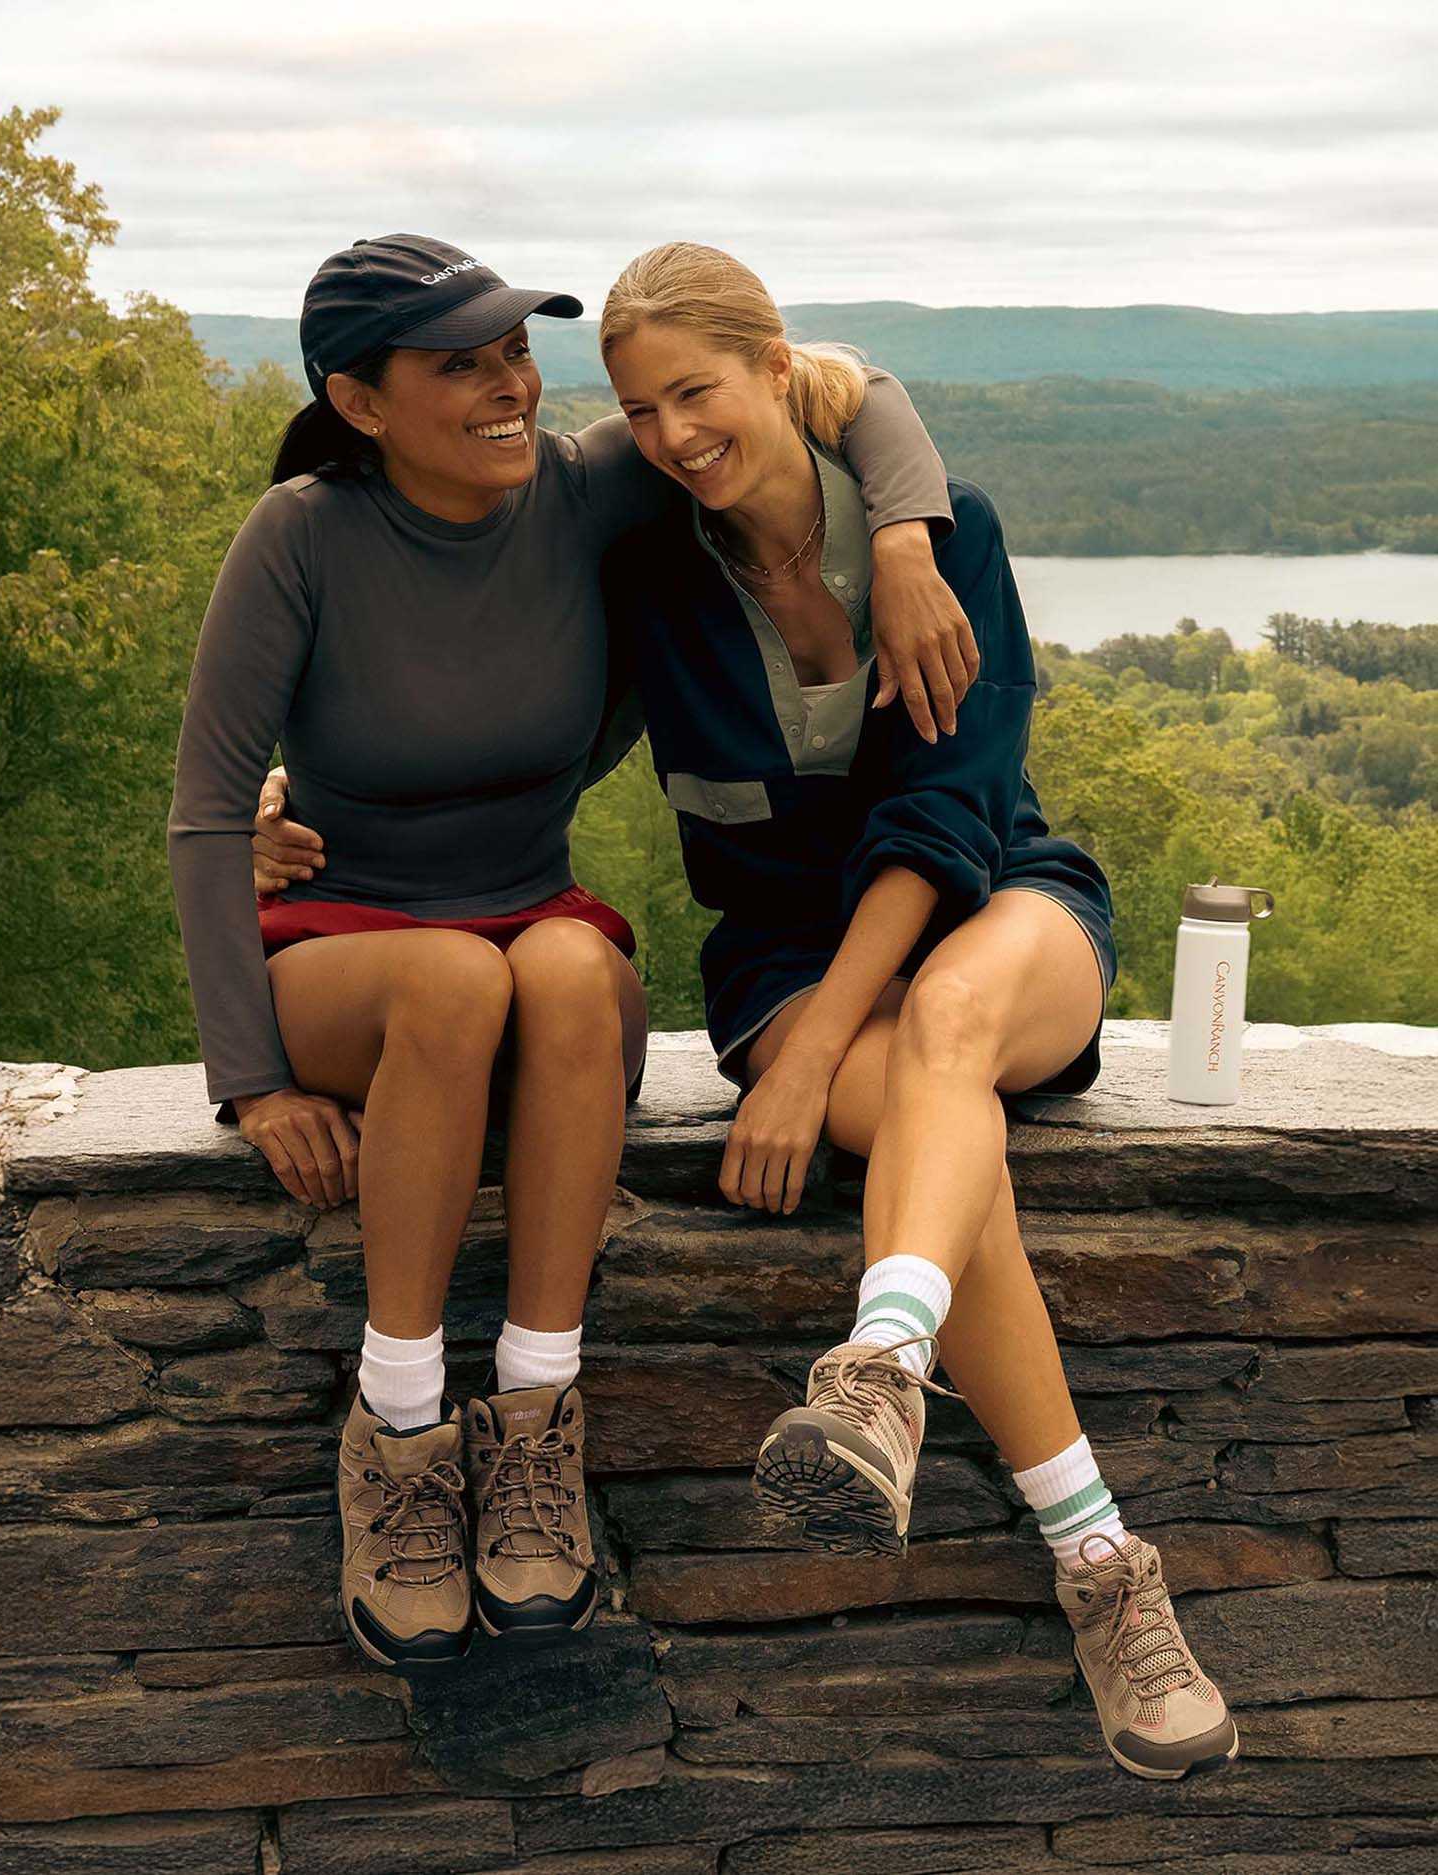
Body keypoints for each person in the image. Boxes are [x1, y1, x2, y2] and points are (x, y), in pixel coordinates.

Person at [168, 233, 972, 1669]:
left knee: (543, 967)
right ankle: (403, 1426)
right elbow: (210, 815)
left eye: (513, 354)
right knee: (459, 977)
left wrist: (905, 541)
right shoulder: (301, 535)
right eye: (458, 365)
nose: (507, 390)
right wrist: (252, 1081)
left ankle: (538, 1418)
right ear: (361, 403)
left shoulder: (588, 482)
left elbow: (858, 390)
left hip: (534, 920)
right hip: (349, 946)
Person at [589, 242, 1238, 1781]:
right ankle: (1103, 1572)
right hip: (784, 960)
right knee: (960, 1174)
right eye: (643, 409)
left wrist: (817, 1053)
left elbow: (946, 814)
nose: (677, 432)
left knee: (950, 1024)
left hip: (1003, 907)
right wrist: (321, 811)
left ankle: (877, 1369)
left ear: (769, 368)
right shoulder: (650, 575)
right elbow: (530, 727)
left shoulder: (946, 540)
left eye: (700, 389)